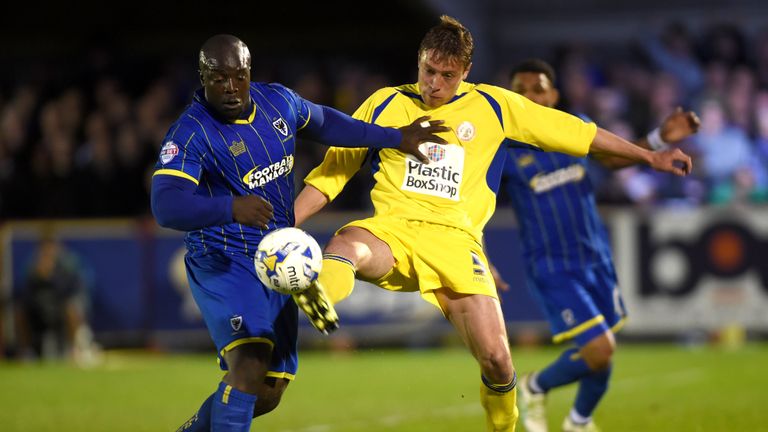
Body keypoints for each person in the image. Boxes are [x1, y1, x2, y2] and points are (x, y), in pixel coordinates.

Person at [293, 16, 693, 432]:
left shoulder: (494, 106)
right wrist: (288, 222)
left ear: (465, 72)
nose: (435, 83)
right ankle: (311, 292)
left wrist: (649, 155)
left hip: (456, 242)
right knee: (349, 243)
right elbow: (333, 171)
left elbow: (578, 132)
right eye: (429, 71)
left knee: (499, 362)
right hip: (393, 230)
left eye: (447, 76)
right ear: (418, 61)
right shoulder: (384, 103)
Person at [150, 34, 447, 432]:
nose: (231, 87)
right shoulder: (191, 133)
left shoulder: (279, 102)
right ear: (203, 77)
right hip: (223, 259)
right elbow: (165, 205)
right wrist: (229, 207)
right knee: (251, 361)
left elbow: (328, 123)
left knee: (269, 389)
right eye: (219, 78)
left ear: (249, 72)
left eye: (239, 76)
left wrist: (396, 137)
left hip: (272, 256)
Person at [497, 59, 700, 432]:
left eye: (537, 88)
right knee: (600, 348)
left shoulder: (572, 129)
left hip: (595, 258)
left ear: (553, 95)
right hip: (552, 266)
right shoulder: (503, 149)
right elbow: (476, 198)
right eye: (520, 90)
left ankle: (579, 421)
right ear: (510, 97)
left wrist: (658, 140)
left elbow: (610, 159)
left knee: (601, 355)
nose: (529, 96)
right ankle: (534, 385)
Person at [14, 236, 97, 364]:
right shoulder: (32, 274)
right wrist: (40, 278)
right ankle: (26, 352)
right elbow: (25, 298)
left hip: (60, 314)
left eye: (50, 252)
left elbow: (72, 295)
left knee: (71, 309)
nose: (47, 257)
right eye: (44, 253)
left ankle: (77, 349)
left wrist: (51, 279)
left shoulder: (65, 272)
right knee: (19, 312)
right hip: (39, 315)